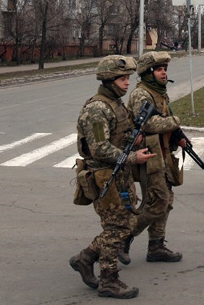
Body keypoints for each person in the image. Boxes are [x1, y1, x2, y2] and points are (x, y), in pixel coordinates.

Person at [70, 55, 155, 299]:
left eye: (127, 77)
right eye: (122, 78)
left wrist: (133, 139)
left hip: (120, 174)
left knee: (126, 224)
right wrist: (133, 157)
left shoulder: (116, 104)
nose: (127, 82)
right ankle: (108, 280)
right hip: (105, 177)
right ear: (108, 80)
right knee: (115, 228)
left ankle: (86, 258)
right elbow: (100, 148)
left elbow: (119, 136)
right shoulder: (97, 109)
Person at [119, 51, 185, 264]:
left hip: (162, 153)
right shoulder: (141, 94)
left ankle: (156, 245)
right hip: (148, 156)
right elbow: (148, 124)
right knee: (158, 202)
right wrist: (175, 122)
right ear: (148, 73)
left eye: (165, 69)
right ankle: (123, 238)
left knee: (166, 201)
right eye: (159, 70)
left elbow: (162, 119)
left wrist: (177, 136)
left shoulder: (158, 92)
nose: (164, 73)